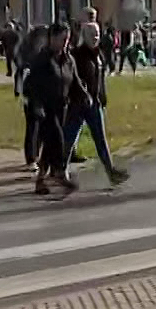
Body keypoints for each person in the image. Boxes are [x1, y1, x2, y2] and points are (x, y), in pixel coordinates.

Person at [65, 22, 130, 186]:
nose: (95, 38)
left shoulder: (98, 54)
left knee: (100, 139)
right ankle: (60, 171)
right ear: (84, 36)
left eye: (97, 34)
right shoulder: (77, 55)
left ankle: (111, 172)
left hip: (95, 103)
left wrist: (103, 96)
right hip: (79, 104)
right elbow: (73, 79)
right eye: (91, 35)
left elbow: (99, 79)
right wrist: (80, 95)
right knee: (69, 138)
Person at [22, 22, 80, 194]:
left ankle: (40, 180)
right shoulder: (42, 60)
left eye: (67, 40)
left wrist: (84, 95)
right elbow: (30, 86)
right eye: (62, 39)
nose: (65, 43)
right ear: (52, 39)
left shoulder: (68, 59)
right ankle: (59, 173)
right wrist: (37, 106)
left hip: (61, 107)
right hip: (45, 109)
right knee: (58, 139)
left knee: (48, 146)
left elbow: (74, 80)